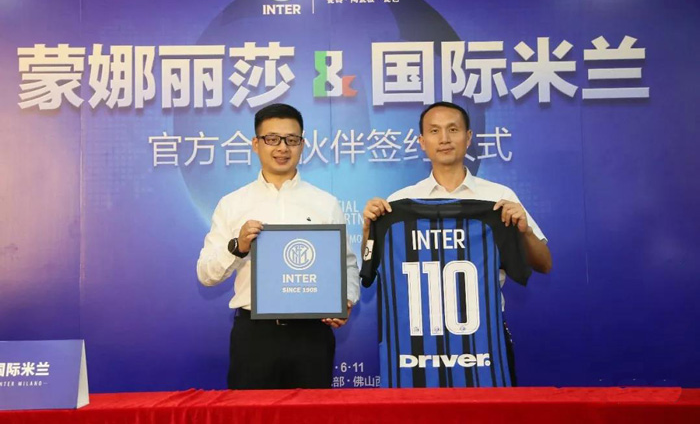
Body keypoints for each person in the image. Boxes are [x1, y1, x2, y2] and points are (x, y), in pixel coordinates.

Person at [361, 101, 551, 386]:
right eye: (434, 131)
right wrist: (369, 229)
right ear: (422, 142)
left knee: (489, 408)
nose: (444, 138)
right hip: (417, 340)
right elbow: (372, 266)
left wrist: (523, 231)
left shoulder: (499, 198)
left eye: (453, 129)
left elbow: (544, 264)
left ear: (468, 137)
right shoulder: (398, 203)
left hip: (485, 335)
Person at [197, 103, 360, 390]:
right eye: (272, 139)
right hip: (255, 336)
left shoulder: (325, 203)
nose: (282, 147)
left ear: (302, 145)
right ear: (256, 144)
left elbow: (346, 264)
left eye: (291, 140)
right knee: (250, 412)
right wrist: (238, 246)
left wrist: (344, 300)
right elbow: (206, 274)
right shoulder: (232, 204)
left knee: (311, 412)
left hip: (311, 335)